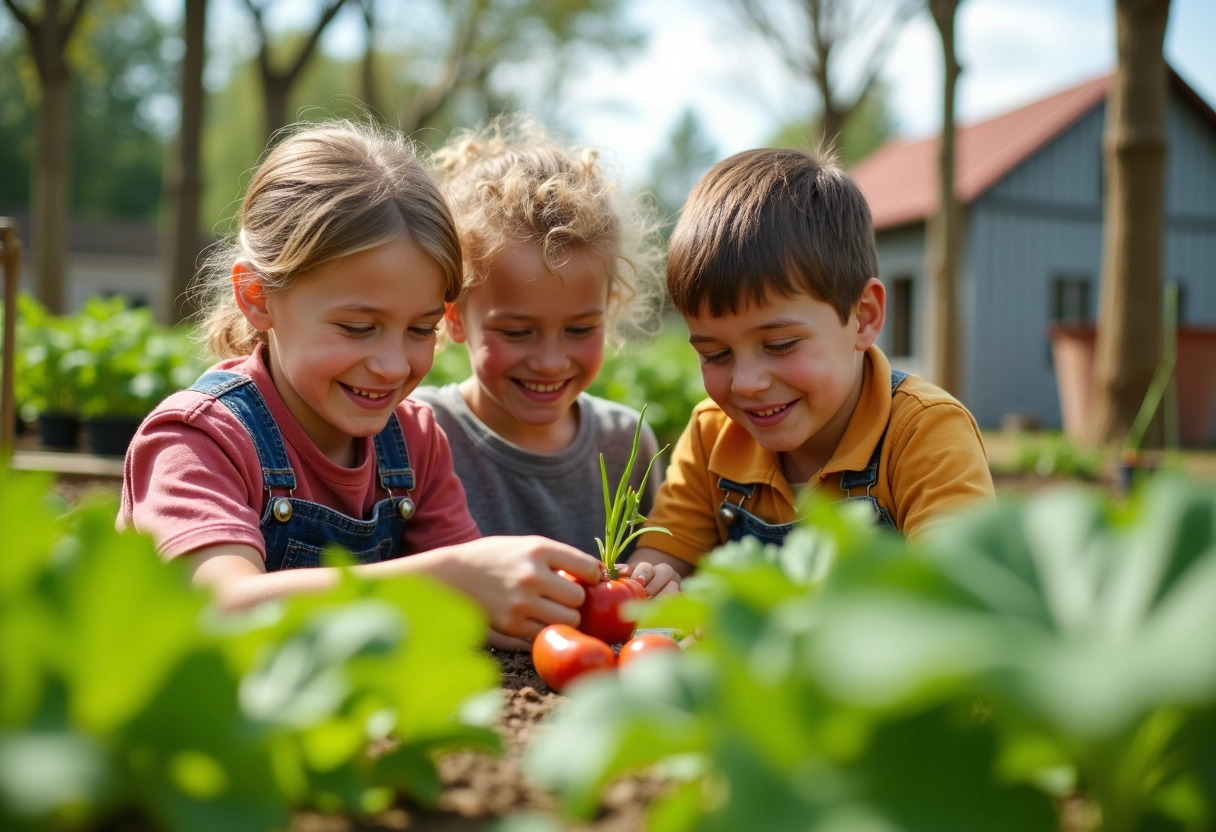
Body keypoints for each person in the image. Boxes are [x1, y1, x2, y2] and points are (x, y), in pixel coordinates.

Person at [119, 121, 605, 652]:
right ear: (257, 296)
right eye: (358, 327)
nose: (394, 366)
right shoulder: (199, 441)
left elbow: (475, 609)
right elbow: (222, 608)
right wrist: (444, 578)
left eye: (422, 329)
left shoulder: (414, 443)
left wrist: (586, 596)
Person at [628, 146, 996, 595]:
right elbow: (668, 548)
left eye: (780, 345)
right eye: (715, 354)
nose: (747, 383)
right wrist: (653, 580)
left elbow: (957, 592)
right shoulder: (712, 435)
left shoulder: (924, 433)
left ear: (863, 317)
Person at [411, 117, 668, 560]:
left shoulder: (626, 442)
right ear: (453, 316)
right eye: (517, 332)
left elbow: (655, 574)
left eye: (581, 329)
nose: (550, 362)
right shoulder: (418, 433)